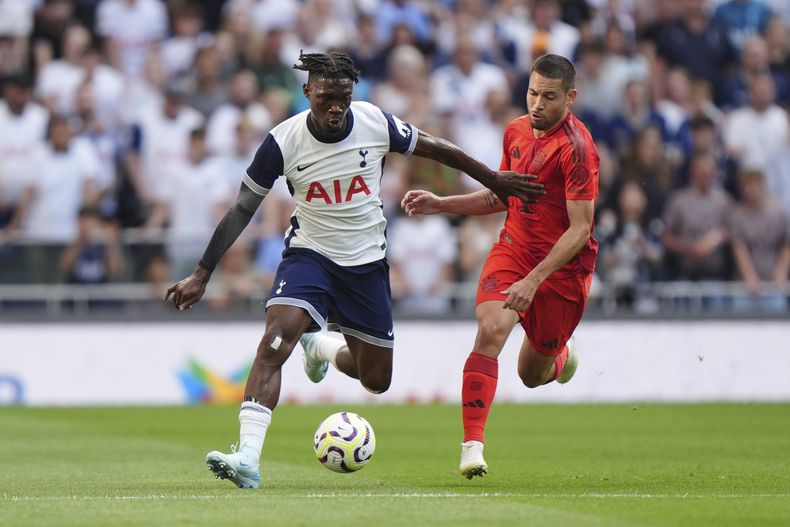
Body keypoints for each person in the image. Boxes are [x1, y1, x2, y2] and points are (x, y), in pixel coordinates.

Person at [165, 51, 544, 489]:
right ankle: (248, 456)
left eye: (343, 98)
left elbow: (438, 148)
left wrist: (494, 179)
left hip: (366, 264)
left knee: (376, 379)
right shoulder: (282, 142)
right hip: (310, 256)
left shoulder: (373, 122)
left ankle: (321, 348)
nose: (335, 108)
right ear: (307, 91)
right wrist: (203, 272)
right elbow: (241, 209)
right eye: (325, 98)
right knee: (275, 340)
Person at [401, 54, 600, 479]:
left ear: (571, 97)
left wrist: (535, 279)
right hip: (514, 249)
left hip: (561, 272)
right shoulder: (515, 131)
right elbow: (502, 195)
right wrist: (442, 204)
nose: (537, 104)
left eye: (549, 97)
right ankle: (472, 447)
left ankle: (560, 357)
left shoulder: (578, 150)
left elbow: (581, 229)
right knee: (491, 329)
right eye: (532, 93)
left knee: (530, 375)